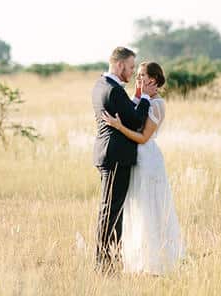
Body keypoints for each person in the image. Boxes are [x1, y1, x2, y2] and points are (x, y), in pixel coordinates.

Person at [101, 61, 185, 275]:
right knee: (136, 207)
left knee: (151, 207)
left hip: (148, 159)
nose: (138, 79)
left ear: (153, 80)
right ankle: (139, 260)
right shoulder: (141, 100)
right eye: (136, 75)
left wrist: (119, 126)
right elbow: (134, 115)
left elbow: (143, 136)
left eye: (142, 75)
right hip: (135, 160)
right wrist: (138, 97)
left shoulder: (157, 104)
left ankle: (157, 262)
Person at [91, 47, 157, 274]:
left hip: (107, 153)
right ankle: (106, 264)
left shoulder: (100, 85)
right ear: (119, 66)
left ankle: (107, 262)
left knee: (109, 210)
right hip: (117, 156)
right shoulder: (115, 91)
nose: (132, 73)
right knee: (112, 212)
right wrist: (146, 97)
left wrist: (138, 97)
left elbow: (127, 111)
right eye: (130, 67)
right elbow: (137, 120)